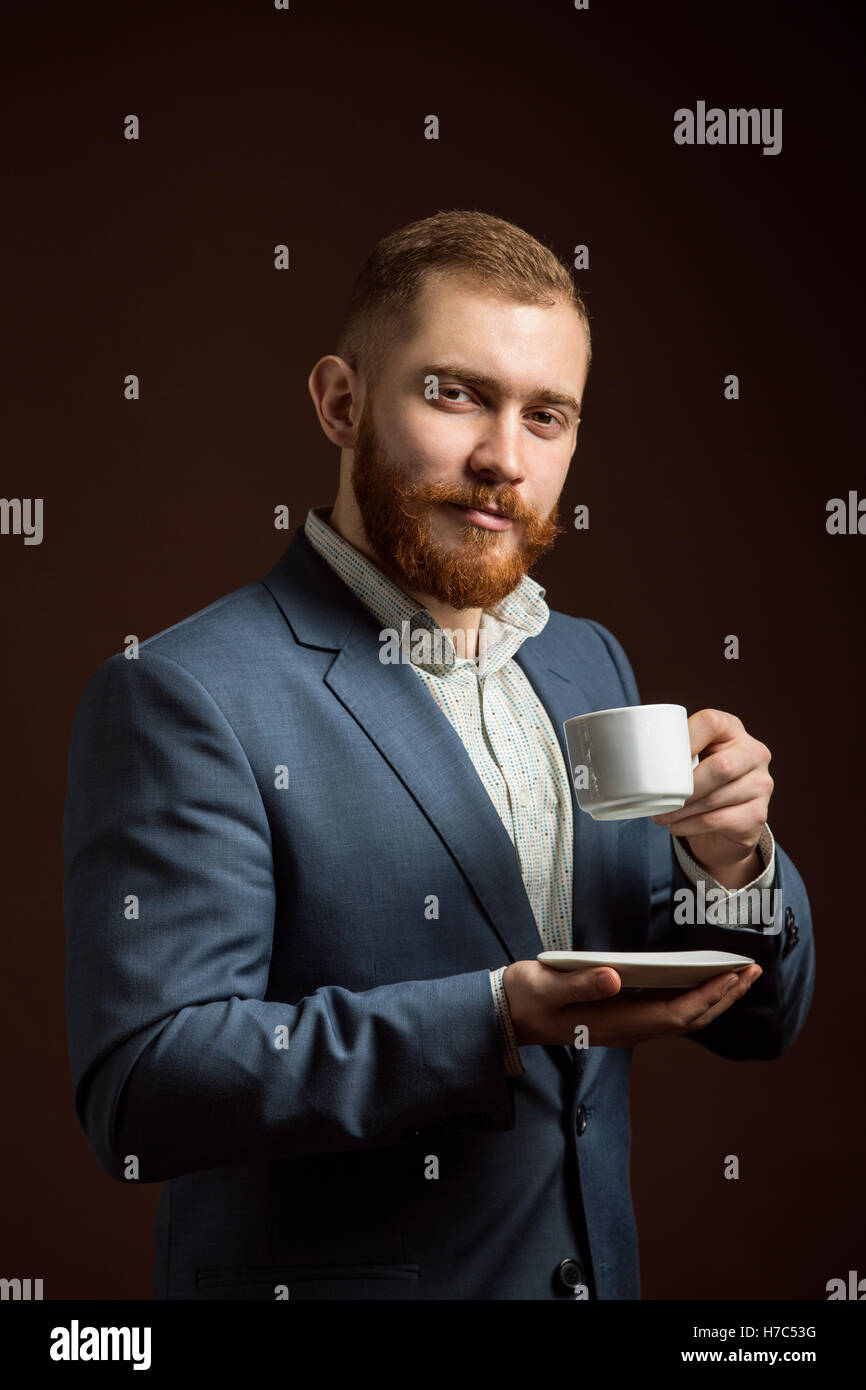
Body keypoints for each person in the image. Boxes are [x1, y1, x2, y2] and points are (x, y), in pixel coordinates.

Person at [63, 209, 814, 1301]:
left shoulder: (584, 663)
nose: (502, 459)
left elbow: (757, 1020)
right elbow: (143, 1089)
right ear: (340, 400)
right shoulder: (184, 692)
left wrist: (731, 863)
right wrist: (491, 1018)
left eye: (545, 415)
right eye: (453, 392)